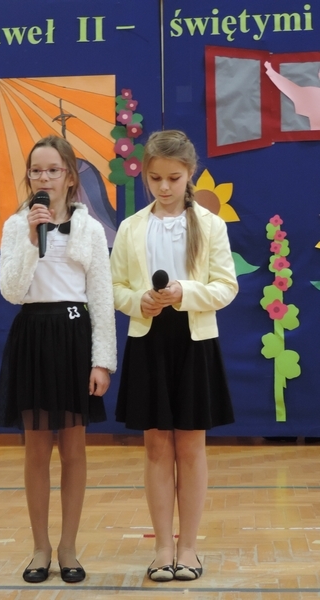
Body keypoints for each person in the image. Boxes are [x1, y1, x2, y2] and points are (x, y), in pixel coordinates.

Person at [110, 130, 238, 582]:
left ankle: (189, 548)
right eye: (155, 178)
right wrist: (138, 301)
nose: (164, 187)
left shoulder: (210, 225)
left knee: (190, 445)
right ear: (145, 175)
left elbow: (226, 287)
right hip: (149, 341)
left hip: (194, 340)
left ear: (190, 175)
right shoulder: (130, 227)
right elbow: (115, 287)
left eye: (174, 178)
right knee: (156, 446)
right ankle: (162, 547)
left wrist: (185, 291)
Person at [0, 135, 116, 584]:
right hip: (34, 334)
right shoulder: (15, 225)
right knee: (37, 448)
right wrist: (31, 239)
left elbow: (100, 298)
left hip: (74, 336)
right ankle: (40, 547)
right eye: (36, 170)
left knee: (74, 448)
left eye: (52, 170)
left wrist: (102, 361)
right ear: (29, 177)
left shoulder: (90, 228)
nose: (43, 178)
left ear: (69, 176)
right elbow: (11, 291)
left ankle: (68, 547)